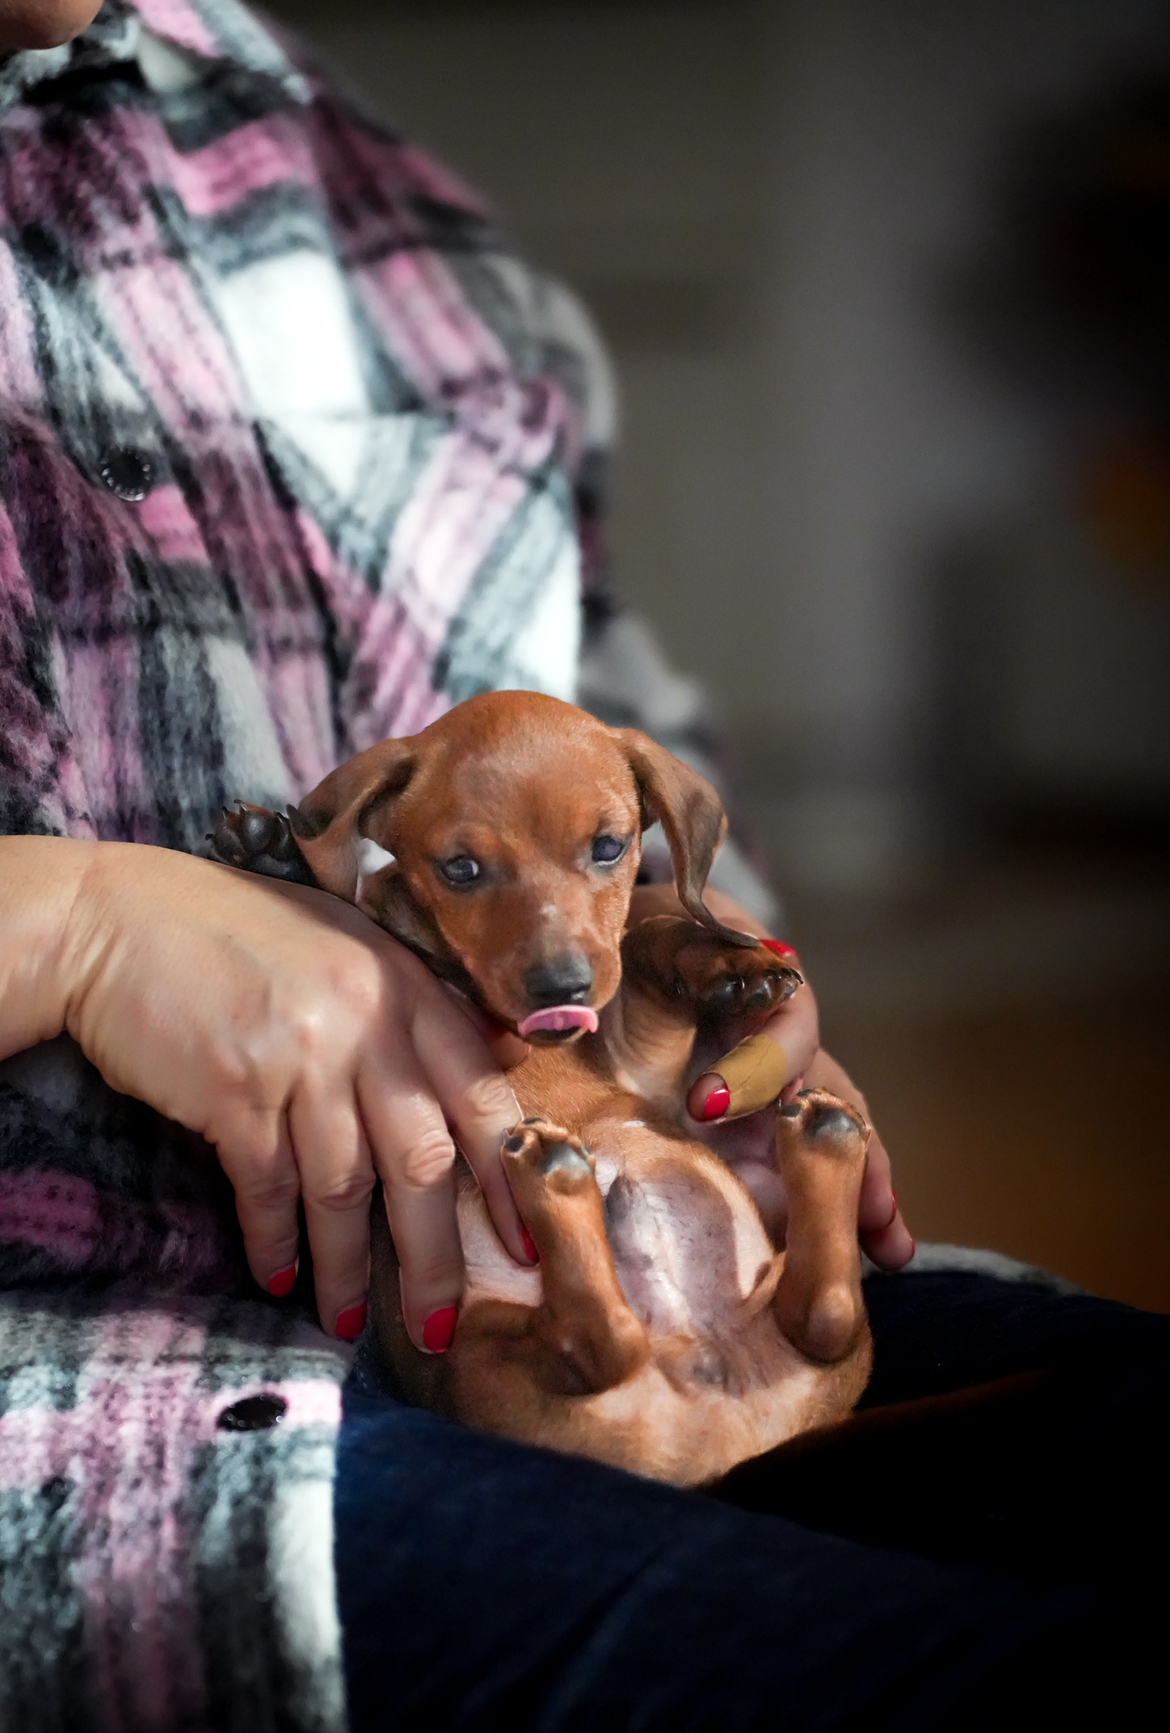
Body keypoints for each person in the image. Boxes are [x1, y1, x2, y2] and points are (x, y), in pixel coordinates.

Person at [0, 4, 1165, 1730]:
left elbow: (632, 771)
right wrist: (74, 922)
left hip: (656, 1273)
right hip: (96, 1400)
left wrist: (713, 981)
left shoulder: (366, 189)